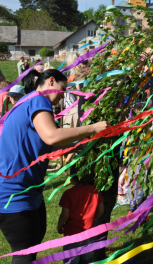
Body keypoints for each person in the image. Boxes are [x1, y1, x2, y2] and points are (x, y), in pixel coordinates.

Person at [0, 69, 109, 264]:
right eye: (62, 89)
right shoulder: (39, 99)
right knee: (24, 251)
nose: (62, 96)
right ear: (51, 81)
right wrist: (92, 128)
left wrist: (78, 144)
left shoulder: (28, 101)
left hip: (27, 191)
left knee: (33, 243)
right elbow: (51, 135)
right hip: (14, 194)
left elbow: (46, 141)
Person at [58, 165, 104, 264]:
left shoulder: (68, 194)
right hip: (90, 233)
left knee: (71, 261)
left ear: (72, 178)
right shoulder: (95, 190)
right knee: (87, 259)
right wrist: (92, 218)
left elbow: (65, 215)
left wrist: (60, 225)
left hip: (72, 235)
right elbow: (101, 210)